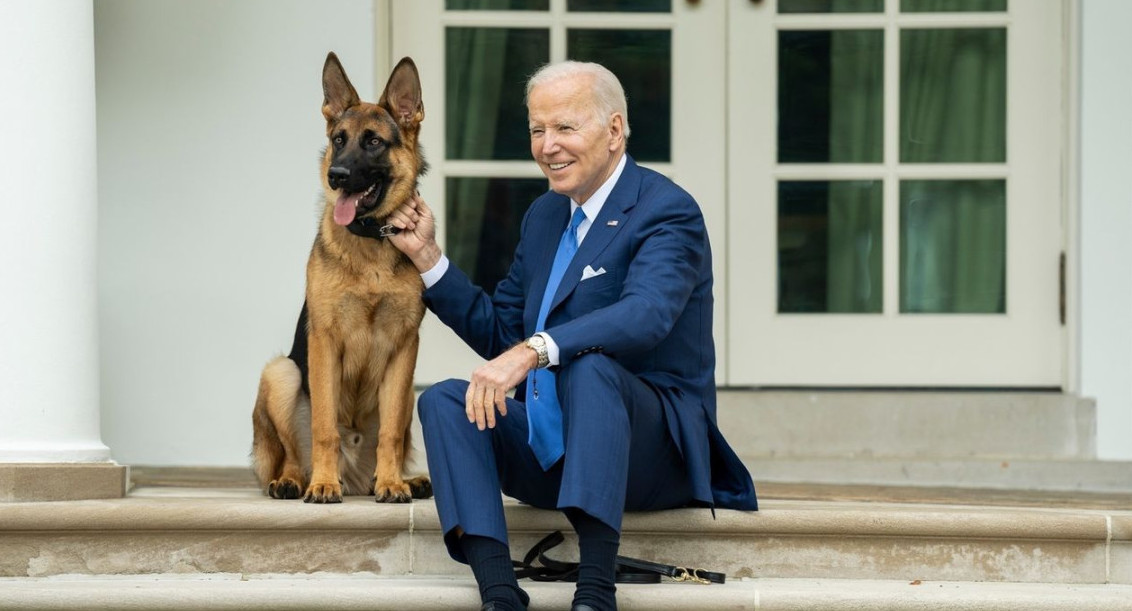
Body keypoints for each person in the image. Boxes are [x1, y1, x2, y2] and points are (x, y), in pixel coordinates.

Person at [387, 61, 757, 611]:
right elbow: (505, 332)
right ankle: (498, 592)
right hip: (556, 448)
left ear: (614, 131)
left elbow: (646, 315)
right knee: (445, 400)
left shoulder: (666, 210)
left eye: (565, 128)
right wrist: (428, 259)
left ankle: (594, 591)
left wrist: (535, 351)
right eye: (537, 130)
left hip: (650, 454)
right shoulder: (543, 216)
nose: (547, 146)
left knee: (590, 365)